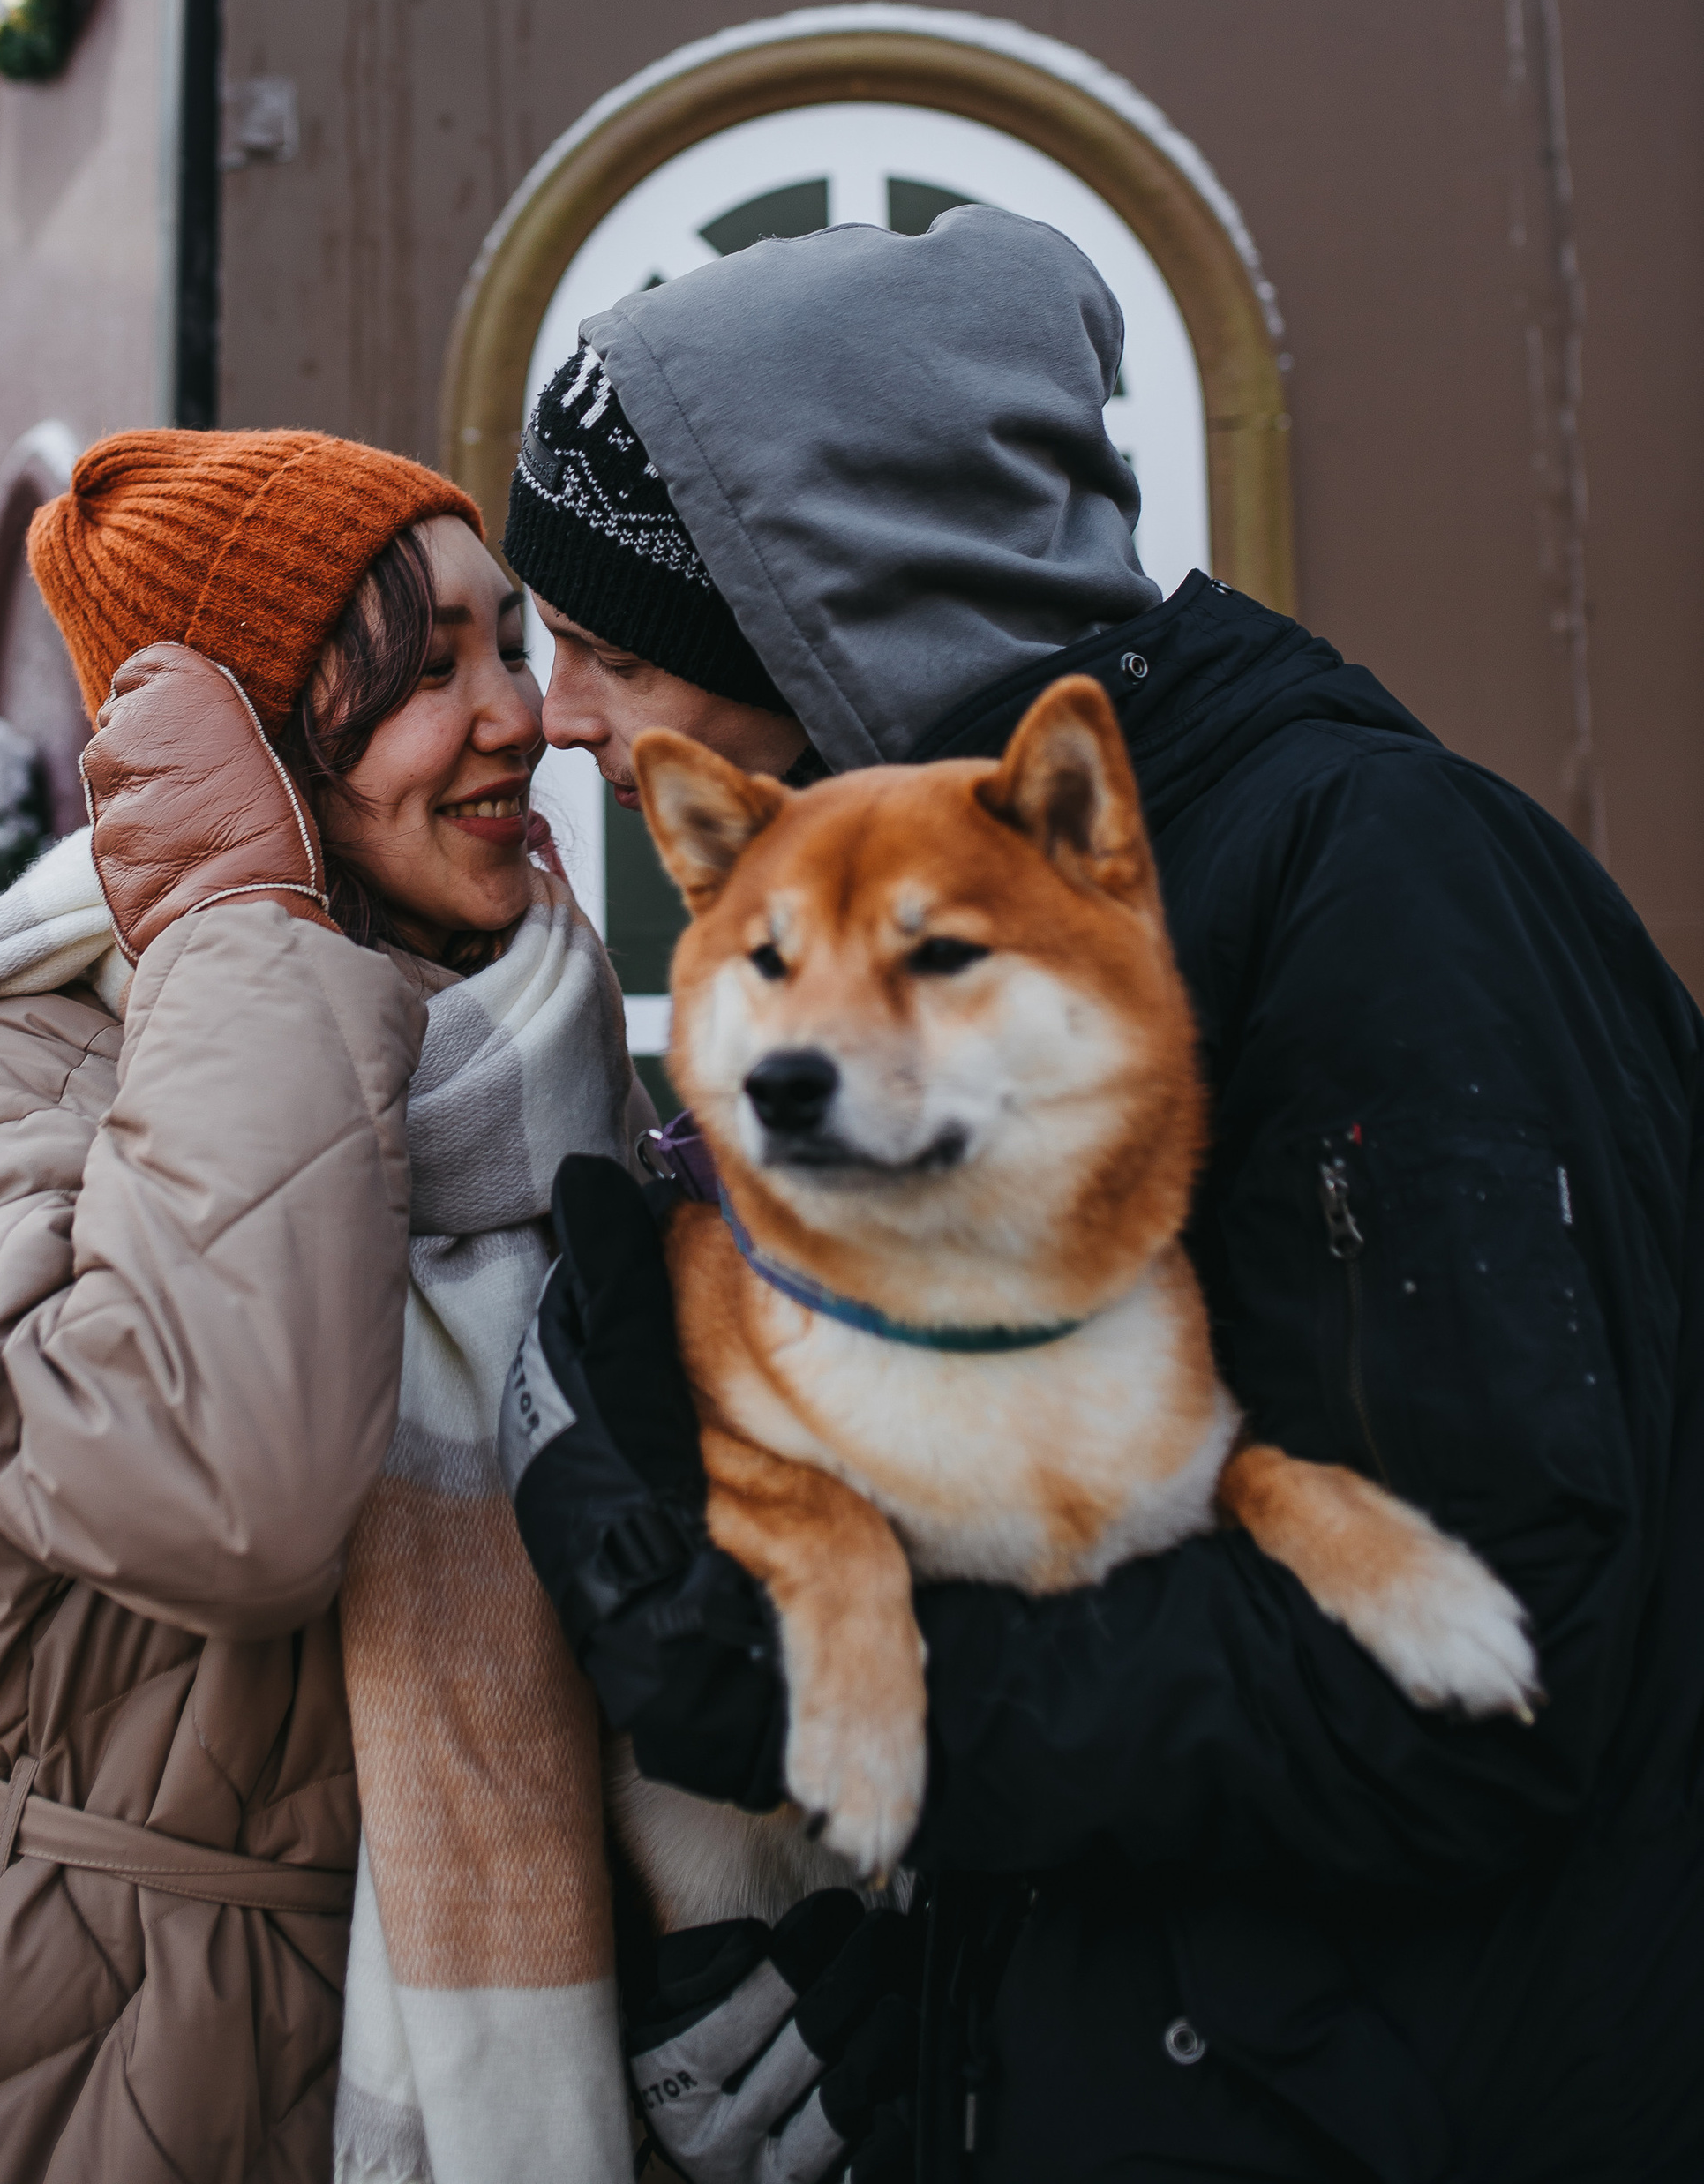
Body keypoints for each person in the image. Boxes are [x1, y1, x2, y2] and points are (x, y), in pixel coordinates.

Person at [498, 206, 1704, 2184]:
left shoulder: (1357, 888)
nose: (557, 714)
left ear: (828, 624)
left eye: (608, 647)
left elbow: (1481, 1666)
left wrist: (809, 1682)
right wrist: (916, 2041)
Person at [0, 428, 697, 2184]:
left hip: (532, 2037)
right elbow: (217, 1489)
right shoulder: (9, 1075)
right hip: (87, 2059)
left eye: (511, 650)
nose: (518, 718)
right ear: (237, 738)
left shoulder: (543, 1054)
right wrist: (240, 918)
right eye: (419, 670)